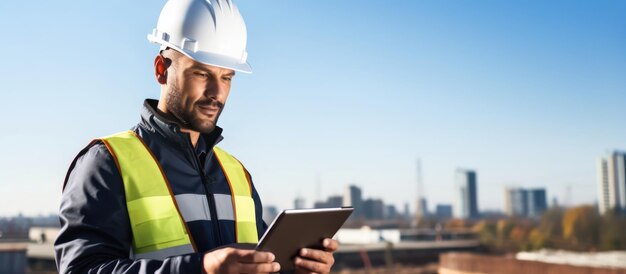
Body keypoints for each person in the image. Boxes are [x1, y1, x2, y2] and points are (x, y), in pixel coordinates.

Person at [54, 0, 339, 273]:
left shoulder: (236, 173)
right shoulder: (107, 162)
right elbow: (82, 269)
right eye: (202, 73)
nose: (217, 92)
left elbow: (260, 264)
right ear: (161, 69)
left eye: (227, 77)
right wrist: (200, 269)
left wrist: (296, 269)